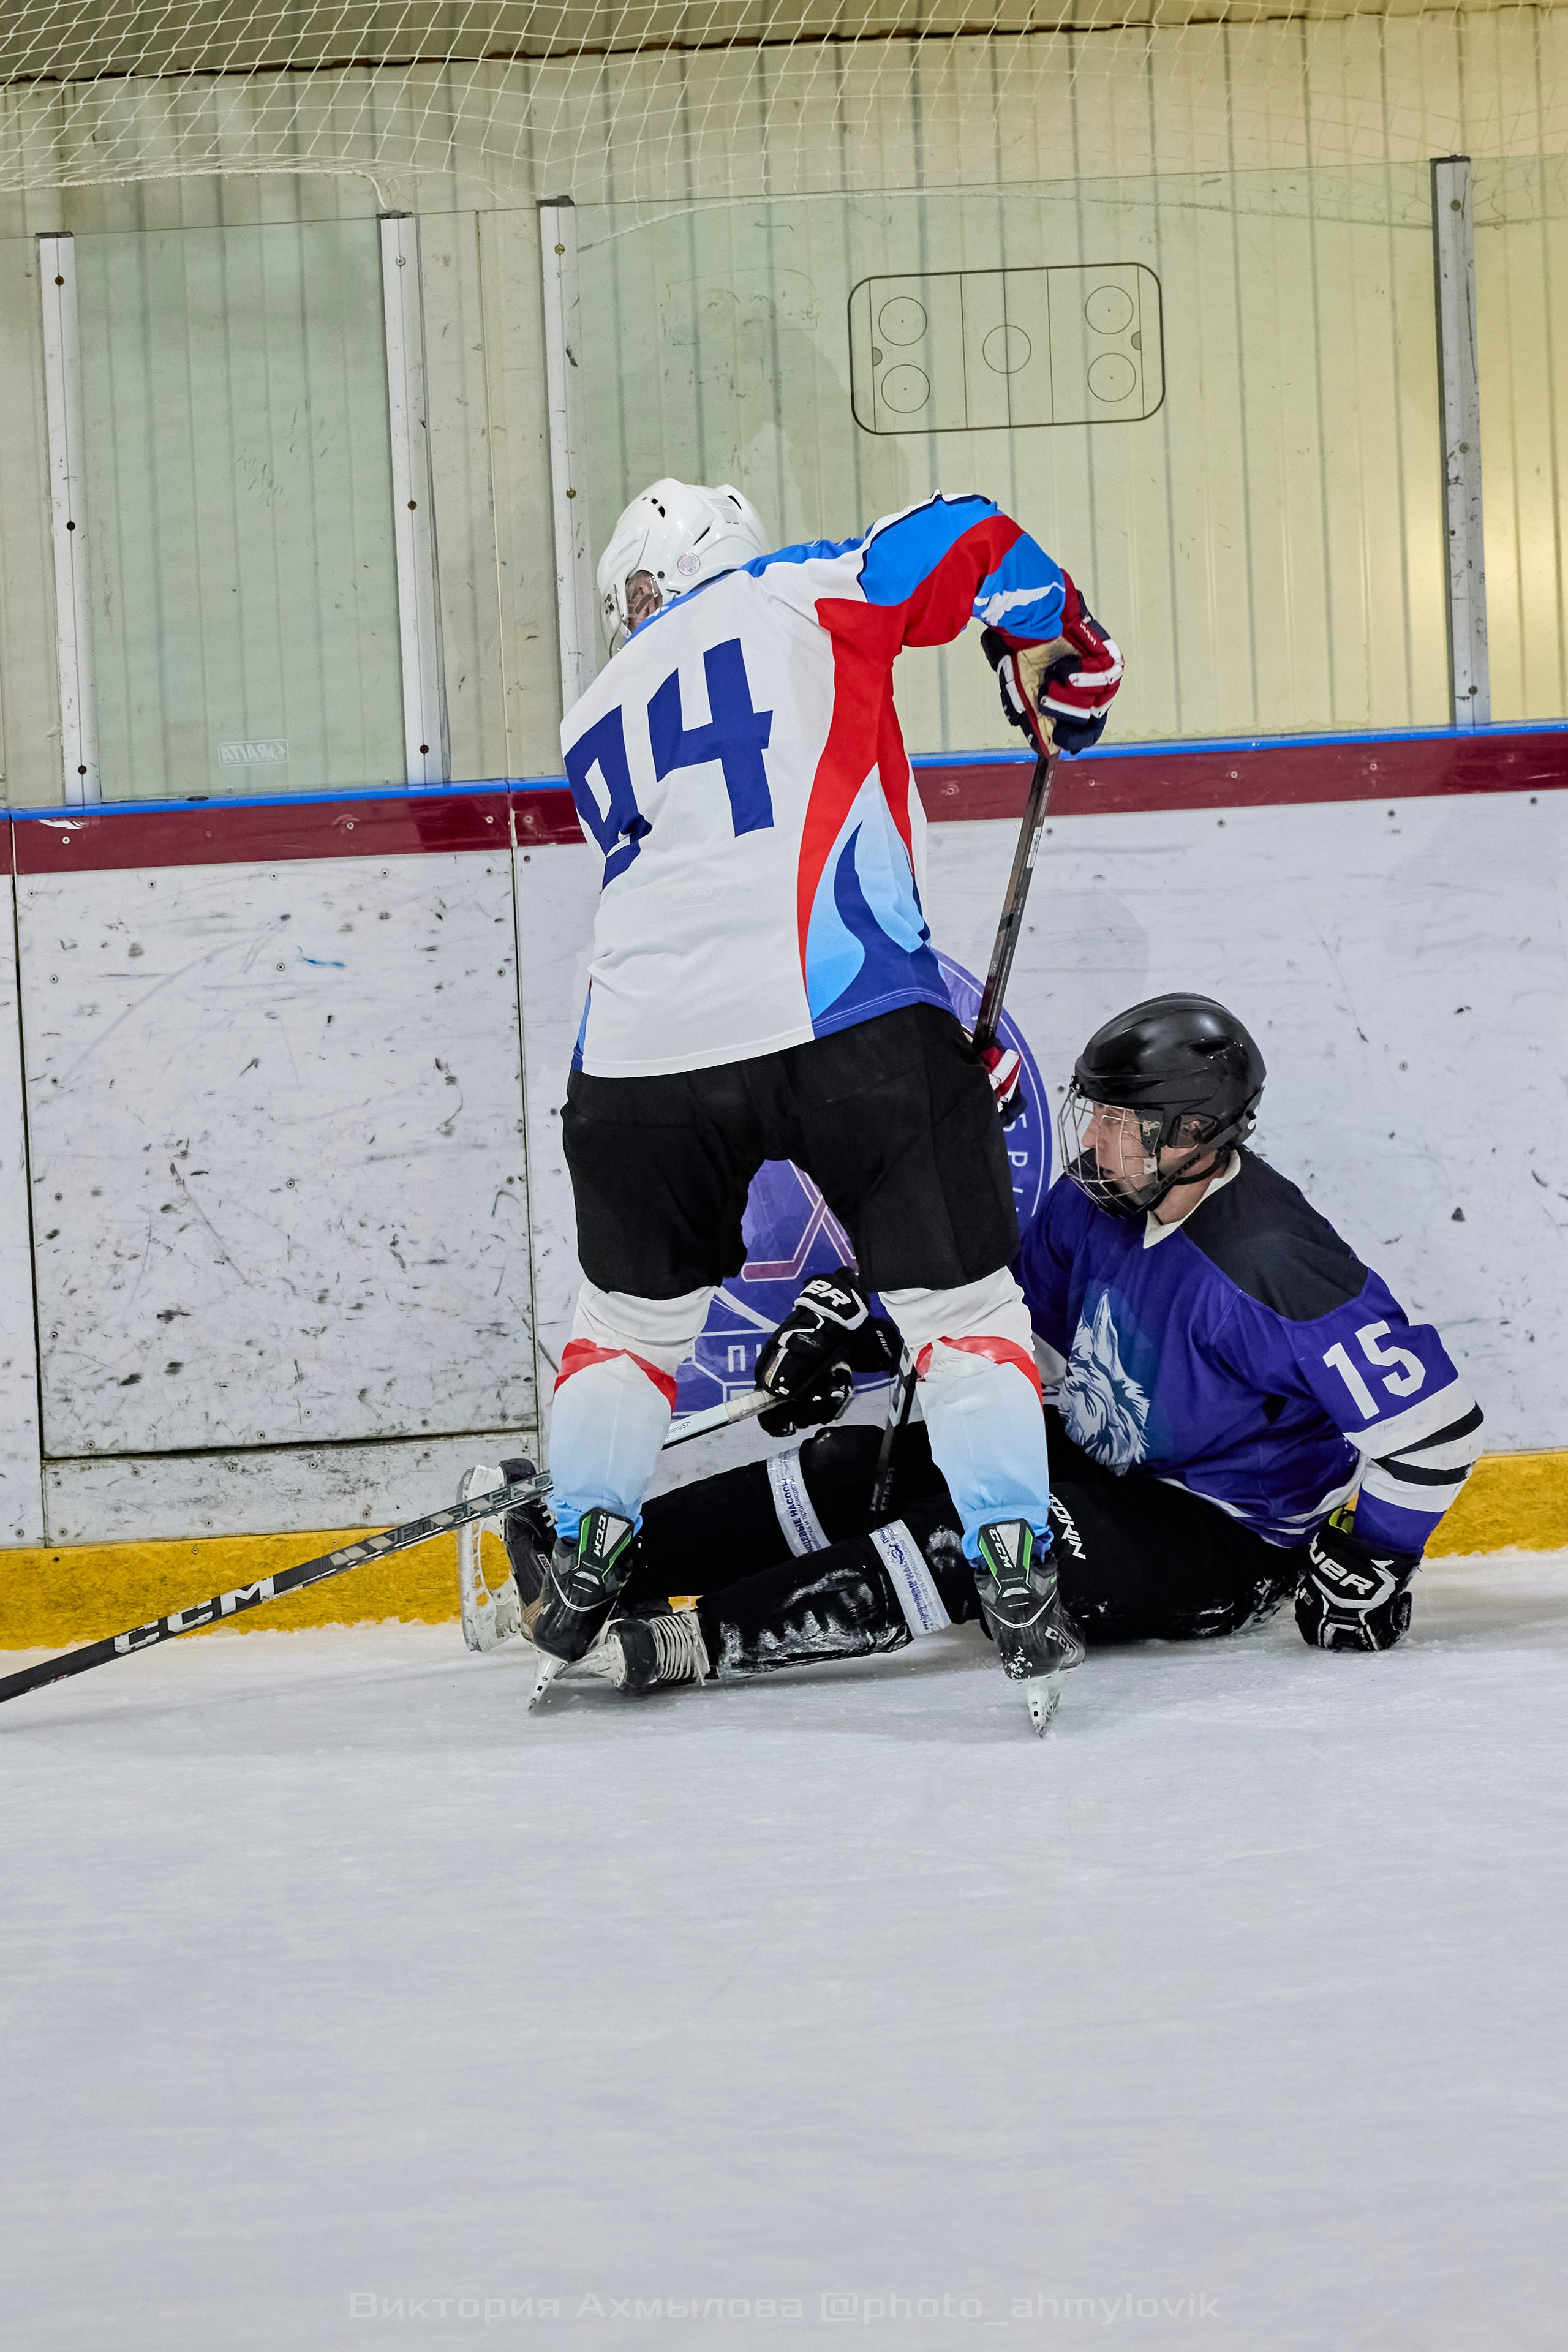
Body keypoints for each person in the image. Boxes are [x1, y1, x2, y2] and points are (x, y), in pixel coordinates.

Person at [526, 478, 1124, 1722]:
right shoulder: (794, 587)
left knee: (624, 1330)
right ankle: (1012, 1560)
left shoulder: (592, 713)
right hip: (843, 1014)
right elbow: (967, 534)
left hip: (632, 1059)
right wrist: (1054, 638)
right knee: (960, 1313)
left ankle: (587, 1547)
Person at [495, 994, 1483, 1717]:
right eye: (1088, 1111)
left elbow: (1434, 1433)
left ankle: (693, 1642)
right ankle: (614, 1565)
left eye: (1114, 1122)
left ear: (1191, 1136)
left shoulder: (1272, 1266)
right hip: (1110, 1455)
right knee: (868, 1464)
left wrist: (1374, 1560)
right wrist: (862, 1323)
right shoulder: (1097, 1205)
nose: (1089, 1141)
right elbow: (986, 1321)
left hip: (1224, 1537)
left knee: (985, 1539)